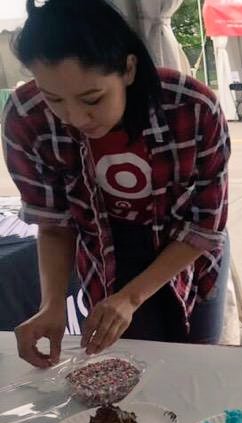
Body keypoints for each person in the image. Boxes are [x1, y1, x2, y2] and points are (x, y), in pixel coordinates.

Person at [4, 0, 230, 368]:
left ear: (128, 69)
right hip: (104, 257)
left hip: (188, 253)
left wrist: (131, 298)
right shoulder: (26, 118)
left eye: (92, 99)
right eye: (55, 99)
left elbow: (204, 228)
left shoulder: (192, 107)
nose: (75, 118)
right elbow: (55, 224)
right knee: (131, 369)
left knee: (196, 365)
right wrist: (50, 305)